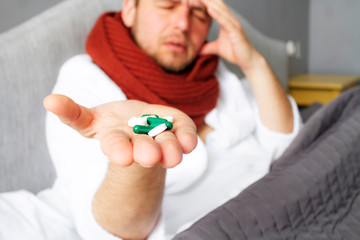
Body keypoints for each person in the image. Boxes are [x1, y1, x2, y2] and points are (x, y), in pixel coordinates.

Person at [0, 0, 302, 239]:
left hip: (279, 194)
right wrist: (140, 162)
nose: (183, 24)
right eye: (167, 5)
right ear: (130, 9)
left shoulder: (217, 76)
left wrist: (253, 62)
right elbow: (112, 229)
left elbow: (283, 140)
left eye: (198, 13)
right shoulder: (87, 81)